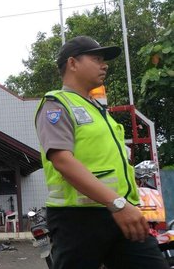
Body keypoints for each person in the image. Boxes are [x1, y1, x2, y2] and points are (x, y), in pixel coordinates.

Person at [35, 36, 168, 269]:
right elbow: (62, 161)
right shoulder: (56, 105)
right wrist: (116, 203)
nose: (104, 64)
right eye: (96, 59)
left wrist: (122, 205)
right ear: (73, 63)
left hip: (121, 212)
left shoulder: (98, 111)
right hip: (78, 220)